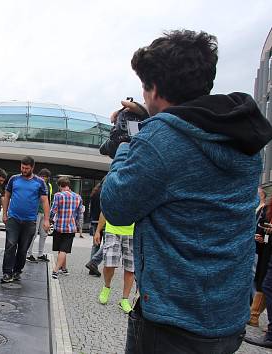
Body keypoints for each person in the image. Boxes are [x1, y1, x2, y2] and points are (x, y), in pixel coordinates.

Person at [100, 30, 272, 353]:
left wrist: (125, 142)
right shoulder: (243, 138)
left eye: (145, 87)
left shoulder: (159, 143)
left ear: (155, 90)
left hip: (172, 326)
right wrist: (149, 118)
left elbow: (114, 204)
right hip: (226, 320)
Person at [0, 156, 50, 283]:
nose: (24, 170)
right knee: (10, 245)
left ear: (32, 168)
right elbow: (6, 196)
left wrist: (46, 220)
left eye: (27, 168)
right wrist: (4, 214)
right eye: (22, 167)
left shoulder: (40, 182)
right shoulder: (14, 179)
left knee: (23, 249)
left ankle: (17, 271)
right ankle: (7, 272)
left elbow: (45, 201)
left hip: (30, 221)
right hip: (13, 219)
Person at [93, 212, 135, 314]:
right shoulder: (112, 194)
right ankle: (106, 287)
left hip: (133, 232)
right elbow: (104, 210)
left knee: (130, 268)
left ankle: (124, 299)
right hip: (112, 230)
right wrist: (98, 230)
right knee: (109, 264)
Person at [49, 176, 82, 279]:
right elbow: (80, 214)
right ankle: (64, 269)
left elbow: (53, 210)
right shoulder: (78, 197)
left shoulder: (58, 195)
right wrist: (78, 227)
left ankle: (55, 270)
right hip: (71, 227)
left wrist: (49, 220)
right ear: (68, 185)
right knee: (64, 249)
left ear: (59, 186)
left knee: (61, 249)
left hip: (59, 226)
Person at [249, 187, 269, 327]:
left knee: (265, 283)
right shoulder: (266, 208)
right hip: (265, 250)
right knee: (264, 283)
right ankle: (253, 316)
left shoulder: (263, 207)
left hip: (265, 252)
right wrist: (264, 238)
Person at [27, 168, 53, 263]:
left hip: (44, 213)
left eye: (46, 177)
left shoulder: (49, 186)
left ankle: (40, 254)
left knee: (44, 234)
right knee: (33, 233)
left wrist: (48, 214)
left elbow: (48, 200)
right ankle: (28, 254)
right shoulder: (35, 184)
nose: (44, 178)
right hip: (36, 212)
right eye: (42, 176)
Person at [85, 182, 103, 277]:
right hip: (103, 221)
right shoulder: (106, 192)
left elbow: (90, 208)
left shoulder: (94, 193)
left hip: (95, 220)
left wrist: (91, 220)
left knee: (95, 244)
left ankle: (92, 268)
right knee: (108, 244)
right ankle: (93, 263)